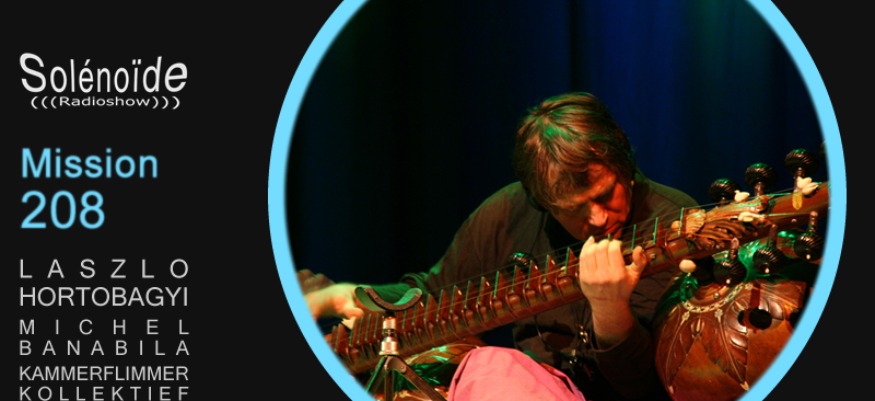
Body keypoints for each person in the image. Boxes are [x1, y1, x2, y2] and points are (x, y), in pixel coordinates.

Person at [304, 92, 698, 401]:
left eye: (605, 194)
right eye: (573, 209)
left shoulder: (674, 225)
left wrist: (610, 310)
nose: (596, 218)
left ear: (624, 166)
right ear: (541, 203)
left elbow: (646, 387)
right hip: (539, 389)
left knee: (493, 366)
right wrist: (344, 297)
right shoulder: (510, 213)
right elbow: (433, 296)